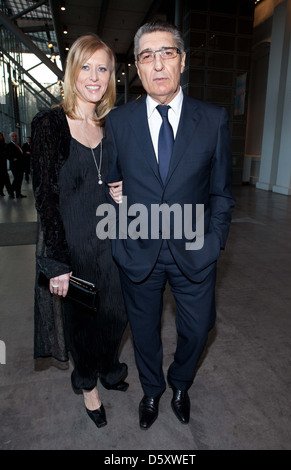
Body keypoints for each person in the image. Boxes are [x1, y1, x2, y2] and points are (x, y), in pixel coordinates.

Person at [105, 20, 235, 430]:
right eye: (147, 56)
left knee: (199, 330)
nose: (158, 64)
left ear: (182, 61)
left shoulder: (212, 120)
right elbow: (109, 182)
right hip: (138, 250)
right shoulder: (119, 122)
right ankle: (153, 390)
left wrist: (215, 241)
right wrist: (118, 223)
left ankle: (180, 382)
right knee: (143, 334)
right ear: (138, 68)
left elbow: (222, 192)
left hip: (195, 249)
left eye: (167, 53)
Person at [31, 34, 128, 429]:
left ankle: (109, 367)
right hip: (74, 248)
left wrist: (125, 193)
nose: (94, 76)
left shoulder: (112, 124)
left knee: (117, 315)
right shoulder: (49, 123)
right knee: (82, 323)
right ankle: (88, 386)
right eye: (86, 66)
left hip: (115, 242)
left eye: (102, 68)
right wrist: (56, 263)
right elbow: (45, 198)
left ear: (111, 76)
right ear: (73, 71)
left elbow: (119, 179)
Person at [6, 131, 26, 198]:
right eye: (13, 136)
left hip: (20, 165)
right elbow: (7, 154)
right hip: (15, 165)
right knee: (17, 179)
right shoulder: (9, 145)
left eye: (15, 136)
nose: (15, 137)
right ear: (10, 137)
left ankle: (18, 193)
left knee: (20, 179)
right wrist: (12, 159)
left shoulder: (18, 145)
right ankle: (11, 191)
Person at [0, 132, 14, 198]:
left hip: (3, 164)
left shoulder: (4, 145)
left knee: (4, 178)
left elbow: (6, 153)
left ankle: (9, 192)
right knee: (4, 178)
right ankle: (10, 192)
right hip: (2, 164)